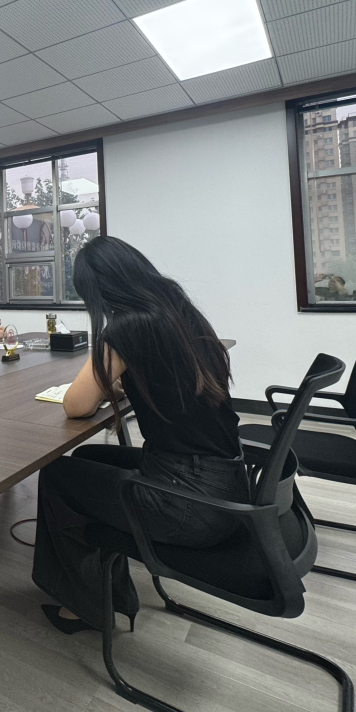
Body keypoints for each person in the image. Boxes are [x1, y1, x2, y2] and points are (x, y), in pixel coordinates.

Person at [31, 236, 247, 635]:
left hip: (190, 503)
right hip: (225, 485)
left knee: (57, 475)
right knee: (86, 459)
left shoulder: (128, 327)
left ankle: (84, 606)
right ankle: (105, 586)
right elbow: (161, 379)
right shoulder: (178, 311)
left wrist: (100, 385)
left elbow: (76, 405)